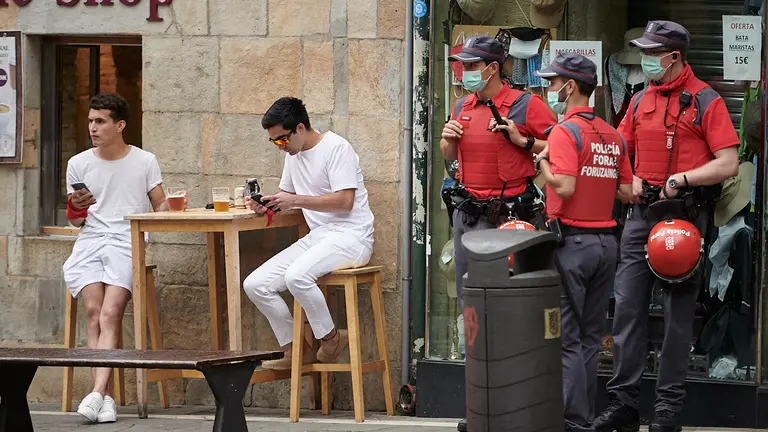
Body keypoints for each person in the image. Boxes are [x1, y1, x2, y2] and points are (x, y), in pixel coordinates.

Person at [594, 21, 739, 432]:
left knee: (677, 317)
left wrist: (683, 179)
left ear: (674, 56)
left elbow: (729, 162)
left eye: (652, 53)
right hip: (641, 217)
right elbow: (618, 151)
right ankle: (623, 404)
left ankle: (667, 410)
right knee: (627, 309)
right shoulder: (641, 100)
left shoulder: (706, 100)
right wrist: (627, 181)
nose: (645, 60)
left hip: (684, 217)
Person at [440, 35, 557, 432]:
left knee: (513, 311)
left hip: (509, 222)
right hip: (469, 219)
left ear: (492, 68)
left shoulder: (526, 104)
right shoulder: (462, 106)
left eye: (472, 66)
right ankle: (480, 405)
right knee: (472, 311)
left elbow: (559, 146)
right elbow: (451, 159)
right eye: (463, 65)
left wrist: (521, 138)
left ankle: (516, 402)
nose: (465, 72)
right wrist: (447, 143)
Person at [534, 53, 633, 432]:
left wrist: (543, 163)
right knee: (591, 338)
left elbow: (564, 185)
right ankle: (585, 416)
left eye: (553, 83)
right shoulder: (613, 134)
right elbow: (627, 191)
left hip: (572, 245)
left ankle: (574, 422)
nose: (550, 89)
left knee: (567, 338)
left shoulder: (564, 132)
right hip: (607, 245)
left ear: (570, 86)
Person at [242, 97, 374, 370]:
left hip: (352, 236)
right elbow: (288, 197)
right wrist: (266, 206)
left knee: (297, 276)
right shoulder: (293, 155)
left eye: (282, 139)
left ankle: (331, 338)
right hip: (319, 237)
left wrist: (295, 200)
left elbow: (345, 201)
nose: (280, 146)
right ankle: (296, 350)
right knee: (255, 285)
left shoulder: (337, 148)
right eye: (274, 142)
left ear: (300, 128)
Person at [63, 93, 169, 423]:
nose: (92, 127)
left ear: (119, 125)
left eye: (100, 121)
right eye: (90, 121)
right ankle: (104, 398)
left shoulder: (144, 161)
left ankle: (96, 393)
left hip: (126, 242)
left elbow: (160, 206)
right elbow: (76, 222)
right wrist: (75, 208)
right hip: (91, 241)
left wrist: (173, 206)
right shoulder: (78, 163)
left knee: (110, 314)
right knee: (94, 312)